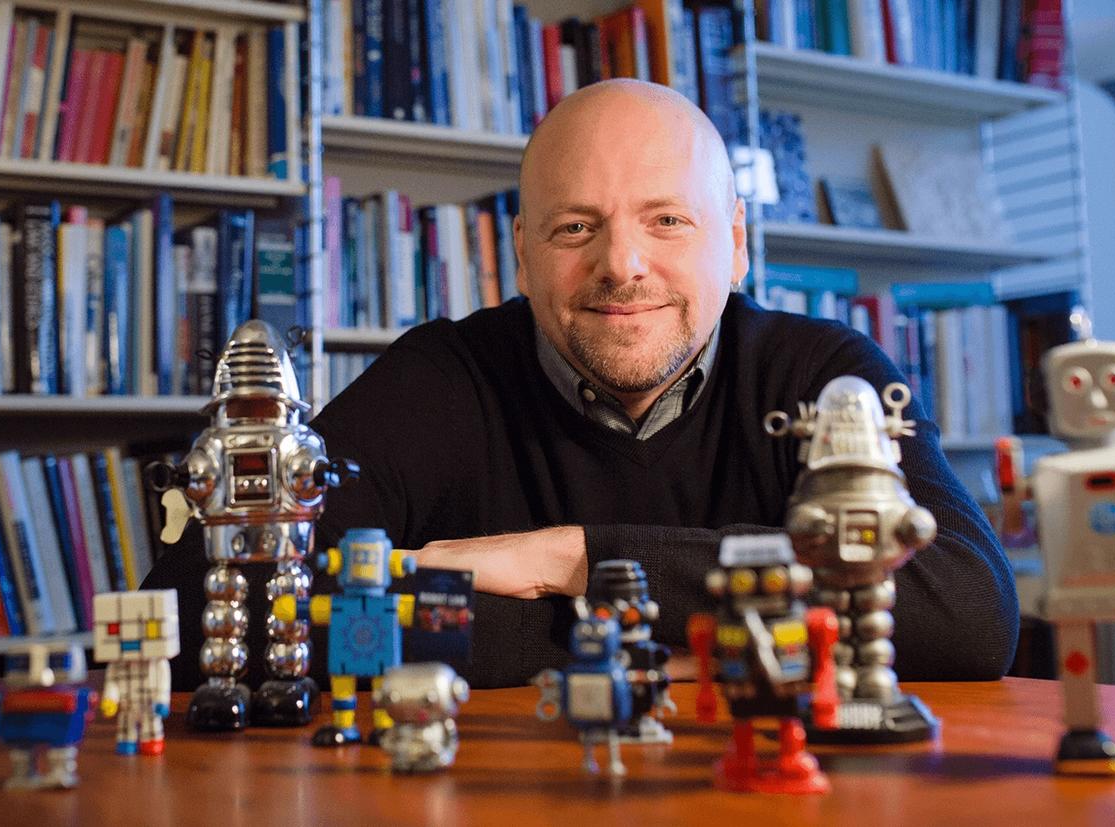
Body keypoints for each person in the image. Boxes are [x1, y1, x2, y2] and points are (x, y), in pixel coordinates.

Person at [146, 79, 1018, 691]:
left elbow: (966, 607)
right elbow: (205, 610)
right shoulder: (442, 380)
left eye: (667, 220)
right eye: (576, 227)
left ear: (737, 242)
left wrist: (567, 558)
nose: (622, 266)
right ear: (521, 250)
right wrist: (626, 636)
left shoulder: (827, 378)